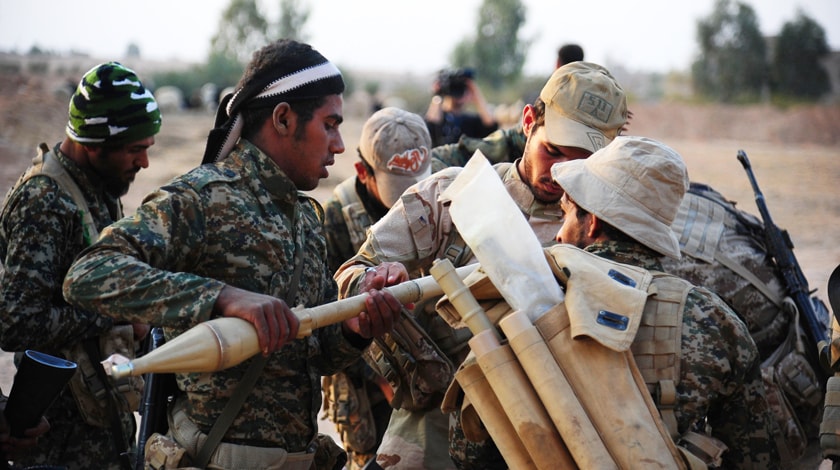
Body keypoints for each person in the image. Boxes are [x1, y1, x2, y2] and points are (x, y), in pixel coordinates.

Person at [62, 39, 403, 470]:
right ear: (283, 118)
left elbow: (312, 353)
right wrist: (221, 296)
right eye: (330, 124)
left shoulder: (304, 218)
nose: (338, 144)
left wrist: (355, 327)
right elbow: (87, 274)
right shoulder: (203, 199)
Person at [334, 61, 628, 469]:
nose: (559, 173)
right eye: (553, 151)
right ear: (528, 122)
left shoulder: (609, 230)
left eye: (580, 162)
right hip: (438, 417)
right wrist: (374, 281)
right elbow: (354, 271)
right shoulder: (455, 195)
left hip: (549, 429)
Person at [541, 135, 781, 468]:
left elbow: (470, 452)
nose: (558, 235)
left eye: (566, 214)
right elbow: (757, 457)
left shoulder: (539, 298)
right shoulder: (716, 321)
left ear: (593, 222)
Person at [0, 61, 161, 469]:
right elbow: (17, 321)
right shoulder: (45, 201)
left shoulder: (97, 185)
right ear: (94, 144)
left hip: (102, 424)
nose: (143, 162)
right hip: (60, 442)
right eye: (134, 150)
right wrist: (112, 315)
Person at [321, 106, 432, 469]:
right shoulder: (334, 219)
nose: (411, 197)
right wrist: (385, 378)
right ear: (363, 172)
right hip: (364, 380)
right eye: (399, 190)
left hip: (426, 370)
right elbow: (328, 320)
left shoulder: (435, 190)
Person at [424, 68, 498, 147]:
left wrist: (474, 90)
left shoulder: (470, 121)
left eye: (462, 88)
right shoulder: (437, 117)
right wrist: (437, 96)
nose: (459, 92)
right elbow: (429, 128)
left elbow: (490, 126)